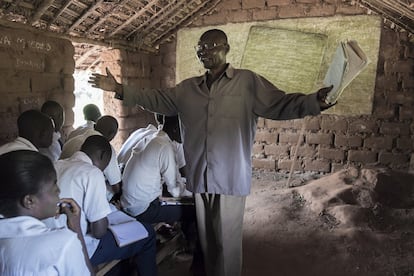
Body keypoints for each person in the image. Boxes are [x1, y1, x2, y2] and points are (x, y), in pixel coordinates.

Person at [89, 28, 334, 276]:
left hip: (230, 178)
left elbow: (281, 103)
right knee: (208, 245)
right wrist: (119, 88)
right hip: (201, 179)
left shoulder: (247, 82)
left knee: (226, 246)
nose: (205, 51)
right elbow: (154, 98)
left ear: (226, 48)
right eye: (200, 48)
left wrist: (314, 101)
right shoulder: (187, 90)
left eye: (212, 46)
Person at [55, 135, 157, 275]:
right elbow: (98, 232)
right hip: (80, 248)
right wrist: (107, 221)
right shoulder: (92, 173)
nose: (104, 170)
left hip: (55, 244)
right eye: (107, 163)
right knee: (148, 234)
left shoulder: (57, 164)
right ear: (103, 155)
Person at [0, 150, 92, 275]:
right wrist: (77, 230)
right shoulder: (63, 245)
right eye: (54, 187)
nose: (59, 191)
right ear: (29, 201)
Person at [61, 115, 122, 198]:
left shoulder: (72, 140)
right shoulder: (105, 149)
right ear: (112, 133)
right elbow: (116, 186)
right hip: (81, 196)